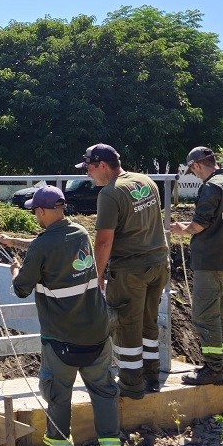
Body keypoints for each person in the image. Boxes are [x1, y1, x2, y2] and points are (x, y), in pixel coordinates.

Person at [0, 186, 128, 446]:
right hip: (97, 334)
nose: (36, 215)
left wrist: (15, 269)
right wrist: (16, 241)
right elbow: (50, 245)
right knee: (104, 394)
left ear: (41, 211)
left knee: (58, 396)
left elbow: (21, 288)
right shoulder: (80, 233)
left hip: (62, 341)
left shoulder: (42, 246)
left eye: (35, 211)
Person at [78, 143, 169, 400]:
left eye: (89, 168)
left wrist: (96, 276)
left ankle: (130, 384)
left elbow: (104, 240)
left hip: (131, 270)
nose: (87, 174)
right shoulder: (145, 181)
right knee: (149, 322)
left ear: (103, 165)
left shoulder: (110, 193)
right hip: (159, 263)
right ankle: (152, 375)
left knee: (126, 325)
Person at [170, 147, 223, 385]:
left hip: (209, 260)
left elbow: (200, 224)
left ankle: (213, 369)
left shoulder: (211, 186)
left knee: (204, 316)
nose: (194, 174)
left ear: (198, 165)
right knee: (220, 314)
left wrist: (182, 229)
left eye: (192, 170)